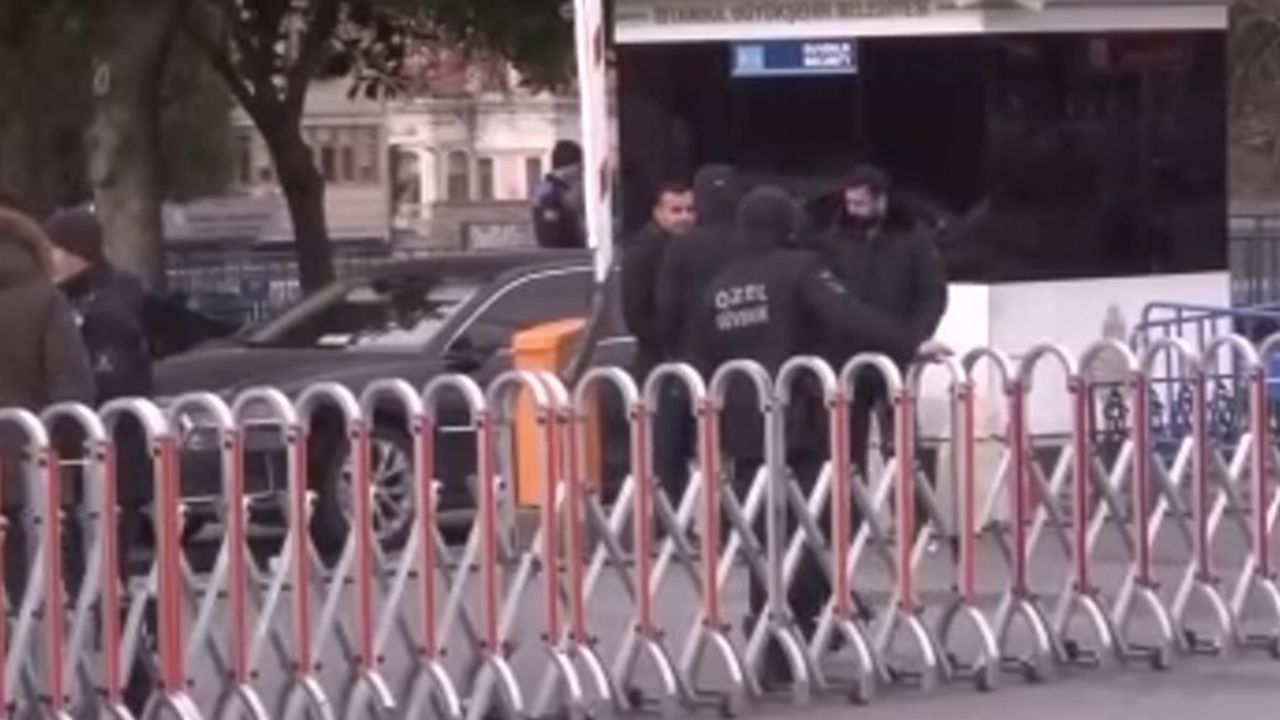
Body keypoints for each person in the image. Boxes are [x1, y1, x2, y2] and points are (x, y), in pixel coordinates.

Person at [690, 186, 923, 686]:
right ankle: (819, 615)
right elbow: (848, 315)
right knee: (816, 526)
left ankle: (775, 641)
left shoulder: (720, 286)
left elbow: (700, 360)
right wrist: (909, 342)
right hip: (801, 421)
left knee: (766, 540)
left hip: (744, 432)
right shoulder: (800, 269)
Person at [822, 165, 948, 516]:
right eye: (849, 203)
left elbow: (931, 292)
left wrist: (915, 336)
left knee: (904, 443)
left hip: (897, 355)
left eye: (861, 204)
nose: (853, 211)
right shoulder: (835, 240)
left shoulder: (912, 240)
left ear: (881, 200)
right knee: (847, 446)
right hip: (847, 356)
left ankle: (914, 519)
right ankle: (850, 520)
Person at [0, 205, 95, 617]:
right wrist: (70, 452)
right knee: (33, 580)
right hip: (30, 459)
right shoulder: (45, 300)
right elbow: (70, 382)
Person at [651, 164, 740, 501]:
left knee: (677, 451)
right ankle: (738, 516)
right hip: (745, 364)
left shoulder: (683, 247)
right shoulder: (749, 243)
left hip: (694, 361)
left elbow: (666, 308)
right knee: (739, 453)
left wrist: (672, 347)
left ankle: (679, 515)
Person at [621, 179, 695, 380]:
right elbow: (635, 316)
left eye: (690, 210)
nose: (685, 217)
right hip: (659, 362)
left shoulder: (693, 245)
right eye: (676, 211)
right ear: (658, 212)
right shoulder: (642, 252)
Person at [532, 140, 586, 249]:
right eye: (580, 168)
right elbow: (552, 234)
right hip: (567, 251)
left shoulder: (548, 188)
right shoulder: (551, 191)